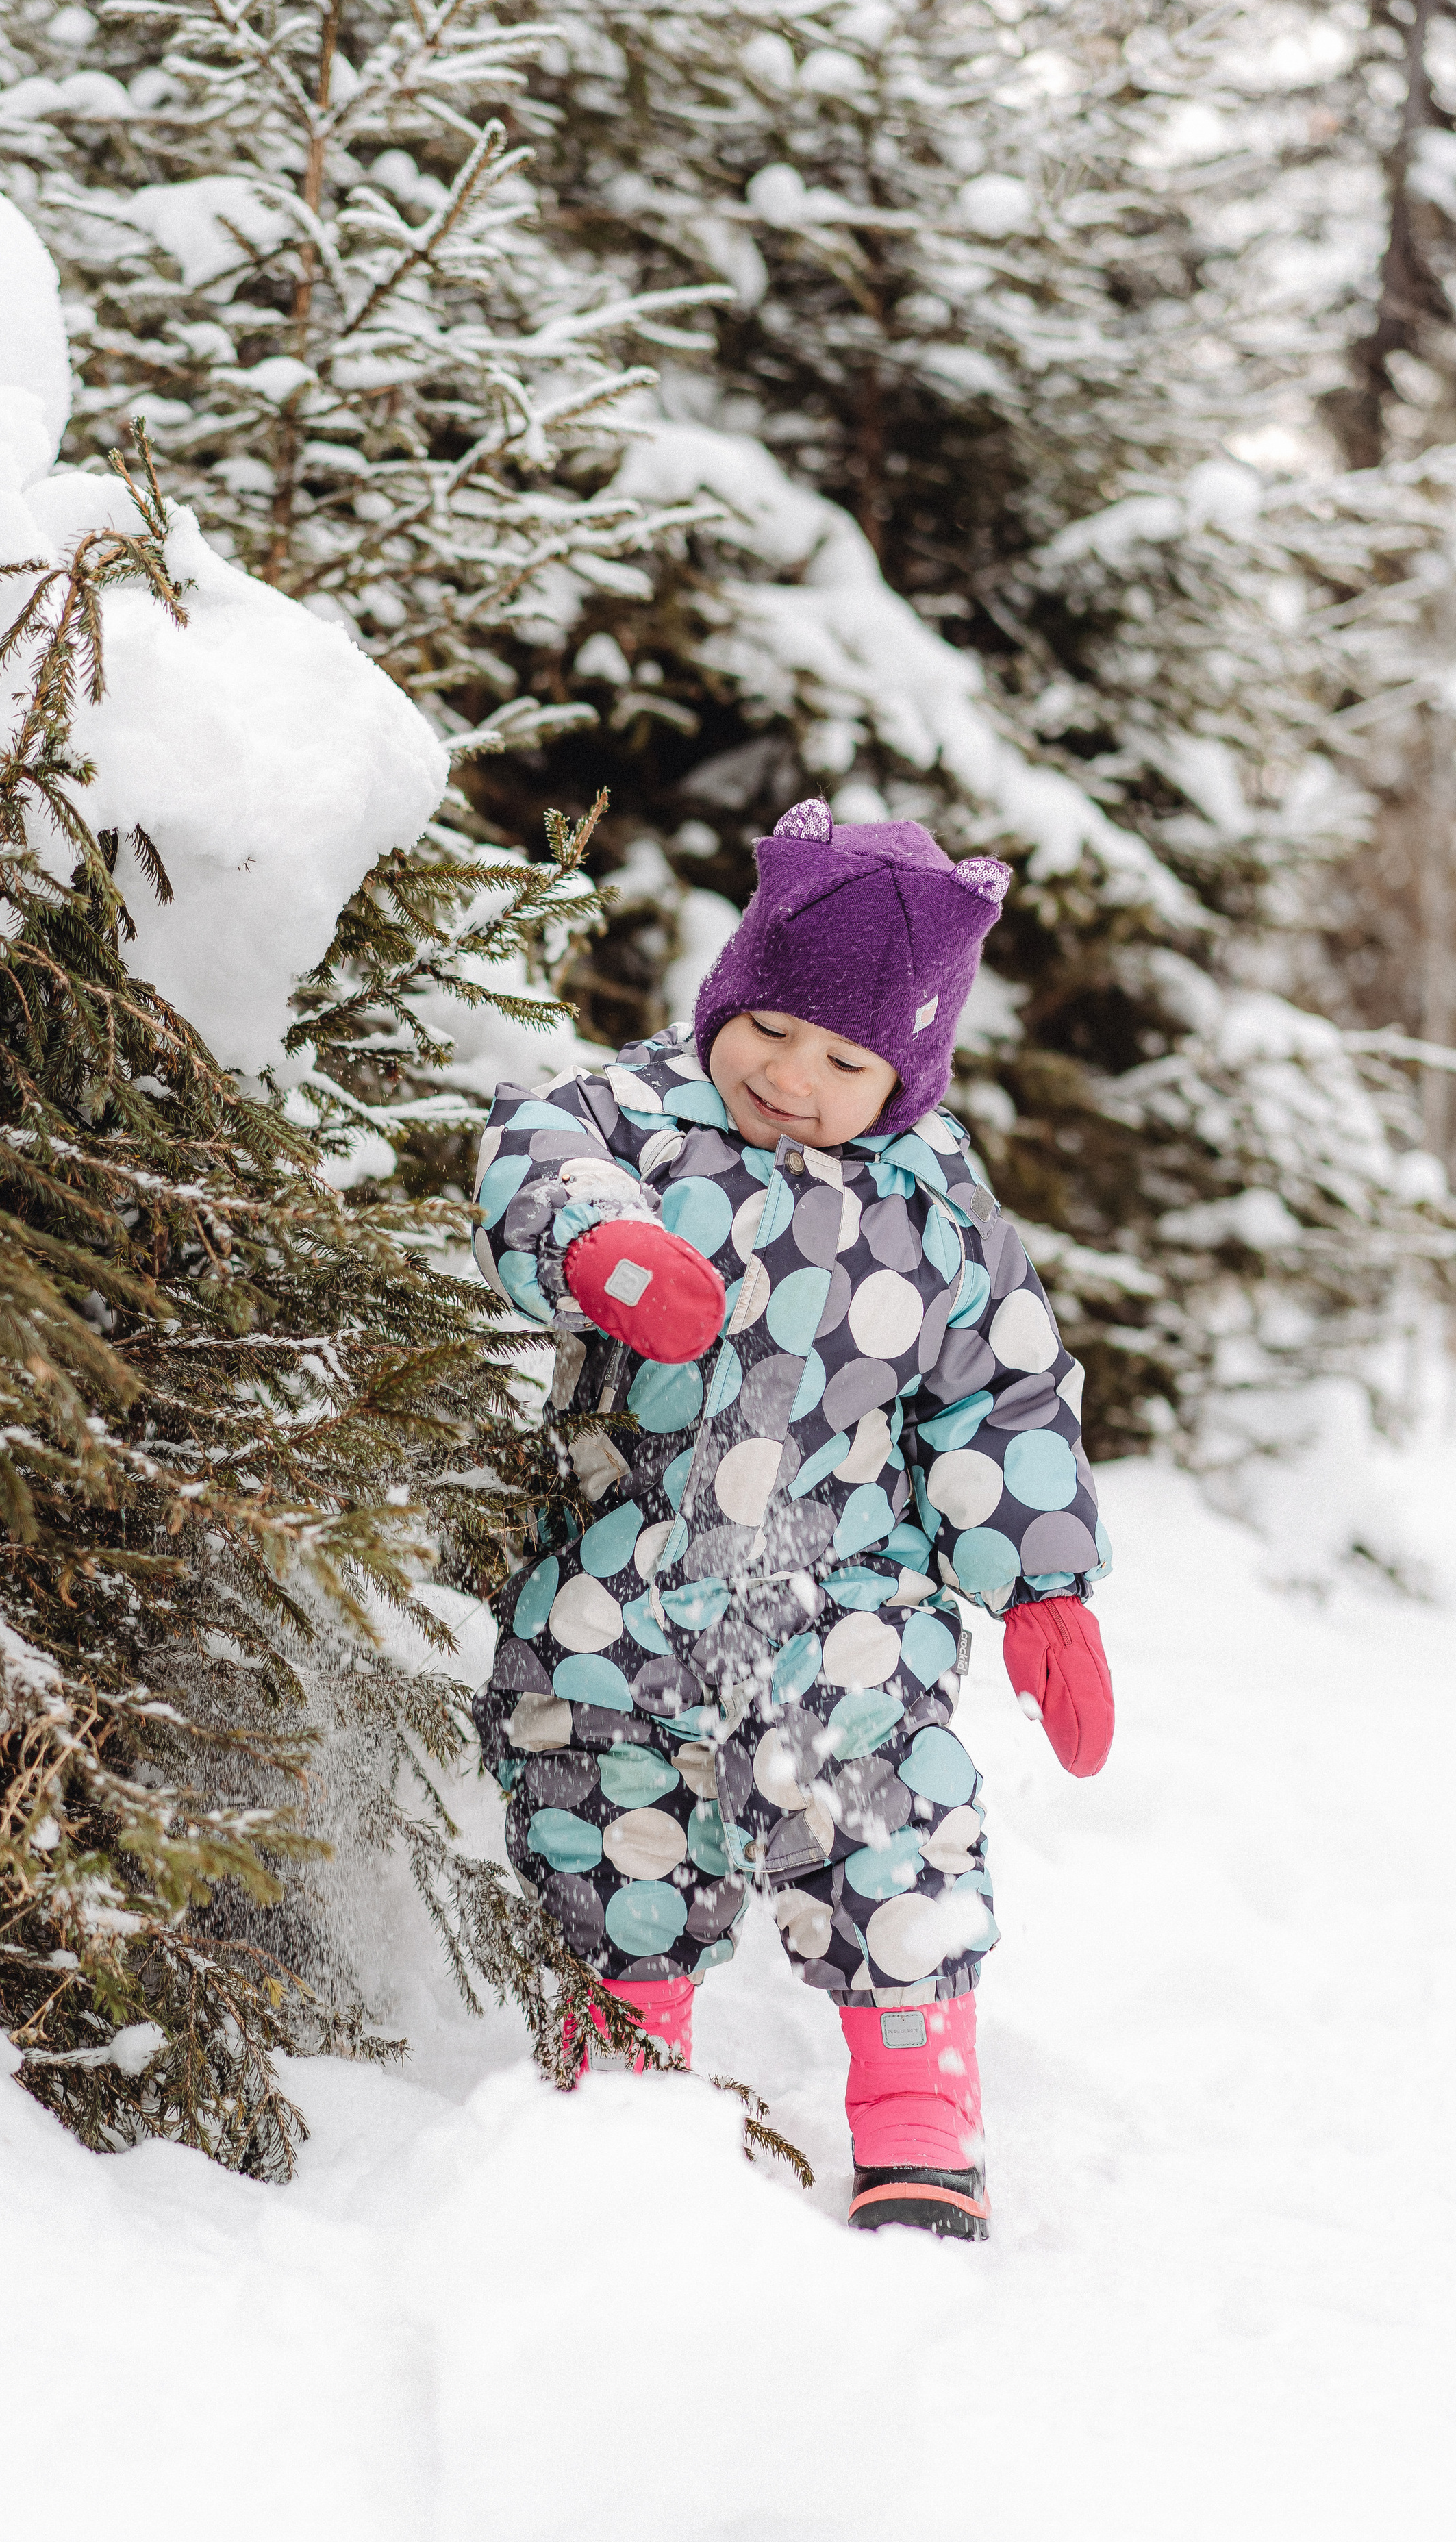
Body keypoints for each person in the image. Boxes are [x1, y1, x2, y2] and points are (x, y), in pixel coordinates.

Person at [469, 800, 1114, 2239]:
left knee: (889, 1821)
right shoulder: (634, 1117)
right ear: (729, 990)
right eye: (767, 1028)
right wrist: (604, 1244)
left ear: (906, 1072)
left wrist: (1044, 1592)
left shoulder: (936, 1201)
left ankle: (919, 2118)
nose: (789, 1077)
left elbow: (1001, 1395)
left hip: (841, 1597)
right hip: (618, 1574)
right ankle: (619, 2087)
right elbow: (529, 1157)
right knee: (600, 1824)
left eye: (843, 1061)